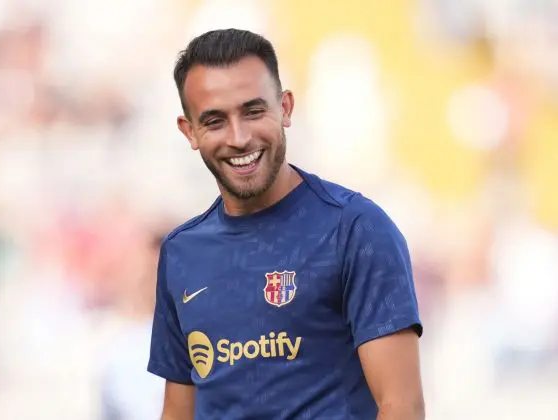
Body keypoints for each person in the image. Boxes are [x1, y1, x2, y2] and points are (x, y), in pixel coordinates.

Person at [147, 28, 425, 420]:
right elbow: (178, 412)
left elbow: (402, 406)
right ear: (189, 131)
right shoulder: (181, 252)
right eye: (214, 121)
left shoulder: (355, 229)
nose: (239, 137)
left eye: (253, 111)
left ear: (286, 108)